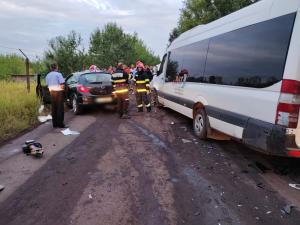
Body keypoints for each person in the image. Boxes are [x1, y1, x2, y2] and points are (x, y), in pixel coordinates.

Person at [45, 63, 67, 128]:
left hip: (51, 92)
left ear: (51, 68)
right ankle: (60, 124)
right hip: (58, 92)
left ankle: (55, 124)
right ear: (56, 68)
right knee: (60, 108)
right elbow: (62, 84)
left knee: (54, 108)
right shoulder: (58, 74)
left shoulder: (47, 75)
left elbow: (46, 85)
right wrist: (63, 92)